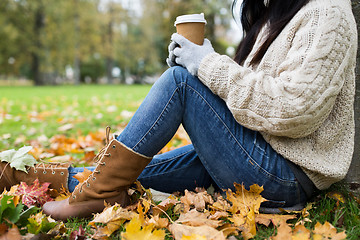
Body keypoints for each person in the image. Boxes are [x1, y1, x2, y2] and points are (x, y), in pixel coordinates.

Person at [0, 0, 357, 221]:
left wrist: (206, 66)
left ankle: (94, 195)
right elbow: (249, 93)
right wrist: (205, 61)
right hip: (257, 152)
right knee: (137, 173)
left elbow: (294, 110)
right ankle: (30, 179)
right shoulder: (274, 15)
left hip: (285, 176)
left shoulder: (327, 11)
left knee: (179, 83)